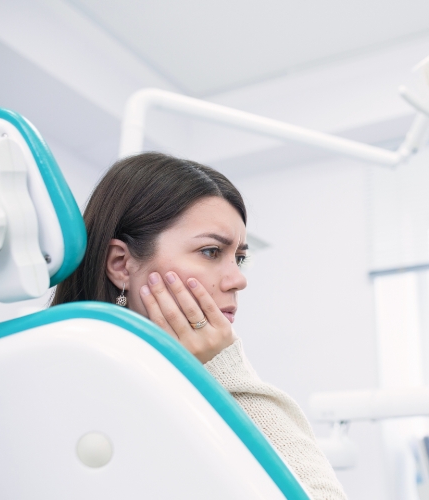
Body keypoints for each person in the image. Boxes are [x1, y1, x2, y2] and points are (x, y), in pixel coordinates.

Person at [52, 152, 347, 499]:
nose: (238, 280)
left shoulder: (187, 388)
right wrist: (223, 362)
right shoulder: (55, 386)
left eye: (239, 258)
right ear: (121, 264)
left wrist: (222, 366)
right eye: (210, 251)